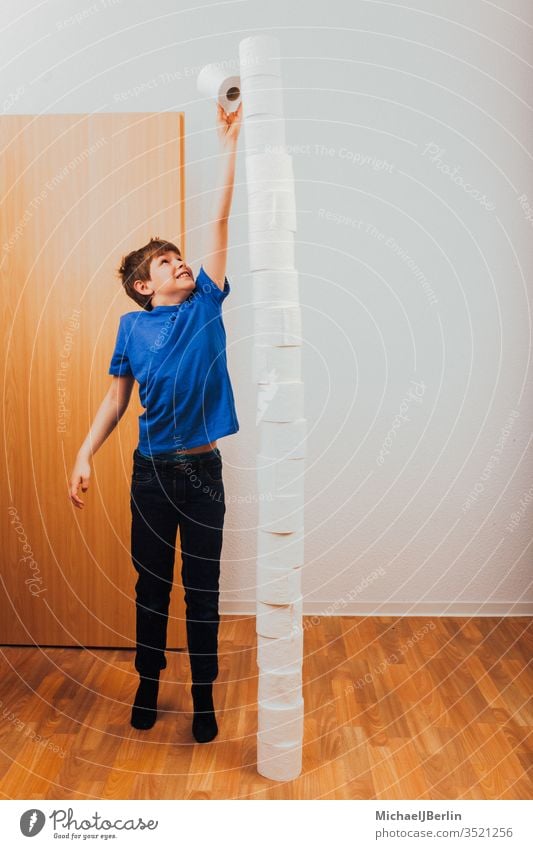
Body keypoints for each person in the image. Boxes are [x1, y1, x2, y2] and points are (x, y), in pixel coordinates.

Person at [69, 102, 242, 743]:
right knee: (152, 586)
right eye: (166, 263)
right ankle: (147, 683)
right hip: (150, 475)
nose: (179, 263)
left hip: (201, 471)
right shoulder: (132, 327)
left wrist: (230, 145)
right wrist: (85, 453)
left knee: (203, 588)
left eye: (179, 256)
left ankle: (203, 700)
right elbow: (118, 399)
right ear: (145, 287)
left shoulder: (205, 305)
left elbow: (219, 219)